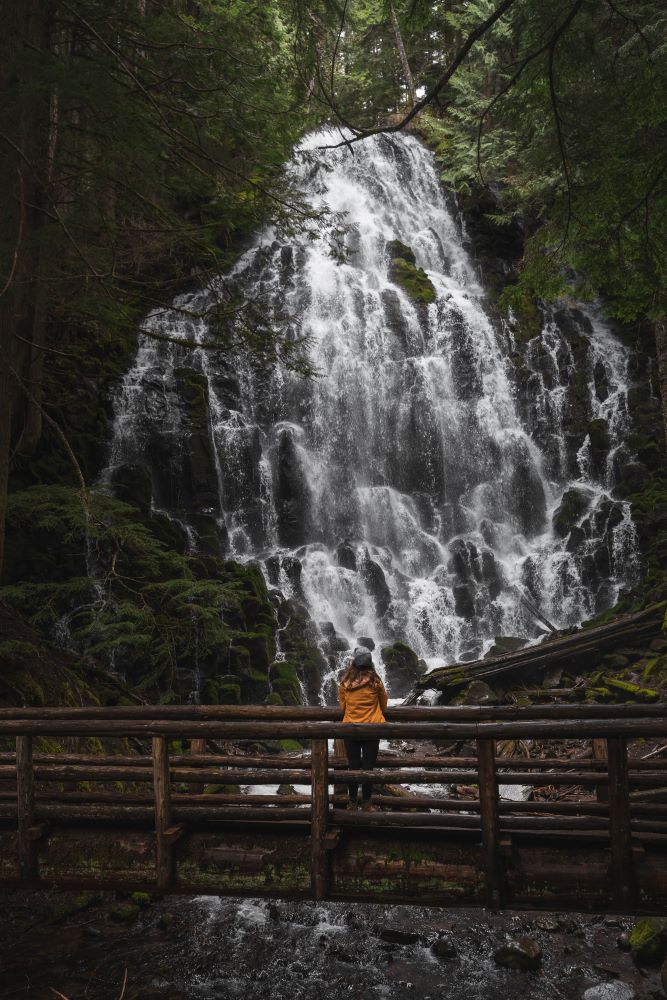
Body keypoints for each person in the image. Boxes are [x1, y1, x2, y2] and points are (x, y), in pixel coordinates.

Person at [338, 647, 388, 811]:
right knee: (368, 768)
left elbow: (343, 706)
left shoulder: (345, 682)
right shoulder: (376, 681)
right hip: (372, 729)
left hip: (350, 729)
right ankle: (367, 803)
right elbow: (384, 703)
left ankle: (352, 802)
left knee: (353, 766)